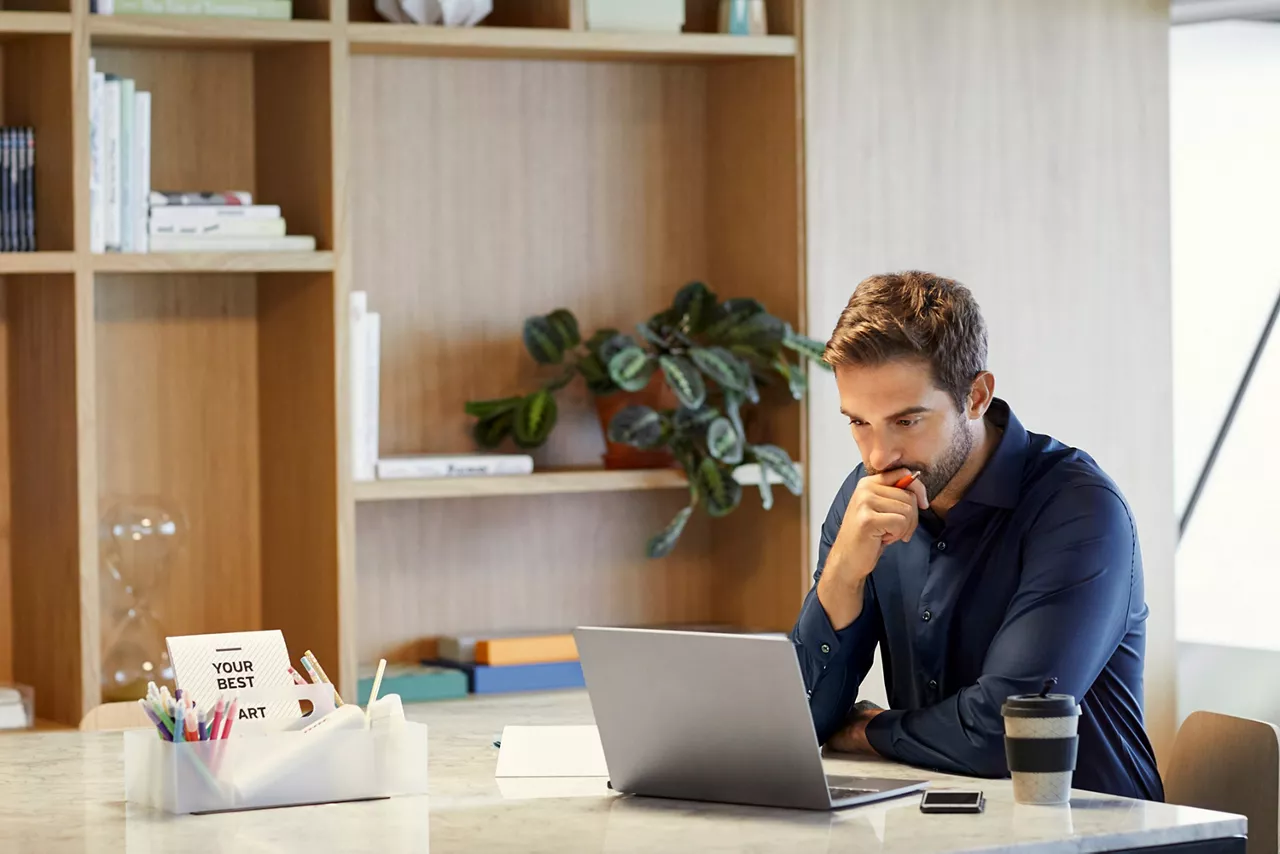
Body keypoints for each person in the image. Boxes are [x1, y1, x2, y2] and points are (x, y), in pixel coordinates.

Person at [791, 271, 1163, 802]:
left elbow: (1007, 734)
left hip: (1095, 832)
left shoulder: (1080, 512)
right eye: (859, 423)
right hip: (945, 826)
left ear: (977, 396)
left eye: (906, 421)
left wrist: (871, 731)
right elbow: (803, 718)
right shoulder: (866, 501)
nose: (877, 456)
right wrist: (842, 577)